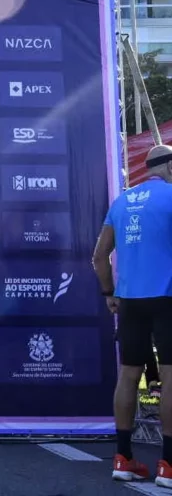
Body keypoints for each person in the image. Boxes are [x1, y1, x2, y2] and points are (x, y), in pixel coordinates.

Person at [93, 144, 172, 486]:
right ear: (168, 166)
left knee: (128, 375)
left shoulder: (122, 201)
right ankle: (168, 464)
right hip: (167, 297)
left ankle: (123, 458)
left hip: (129, 301)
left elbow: (99, 257)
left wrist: (109, 294)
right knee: (170, 376)